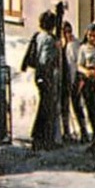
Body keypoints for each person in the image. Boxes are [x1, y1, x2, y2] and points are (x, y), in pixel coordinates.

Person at [24, 10, 62, 151]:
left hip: (40, 76)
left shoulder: (39, 36)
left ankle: (40, 137)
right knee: (47, 109)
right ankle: (42, 138)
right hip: (46, 76)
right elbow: (45, 59)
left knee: (44, 107)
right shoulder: (48, 40)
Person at [72, 22, 95, 148]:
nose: (91, 38)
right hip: (88, 81)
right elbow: (79, 66)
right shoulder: (83, 49)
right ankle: (94, 135)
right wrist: (87, 72)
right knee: (91, 109)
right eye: (89, 35)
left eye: (94, 36)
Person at [59, 21, 80, 143]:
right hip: (63, 81)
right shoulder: (61, 46)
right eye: (65, 32)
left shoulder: (74, 45)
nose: (67, 34)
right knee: (64, 107)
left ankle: (82, 130)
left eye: (69, 31)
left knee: (77, 105)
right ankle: (66, 130)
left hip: (73, 79)